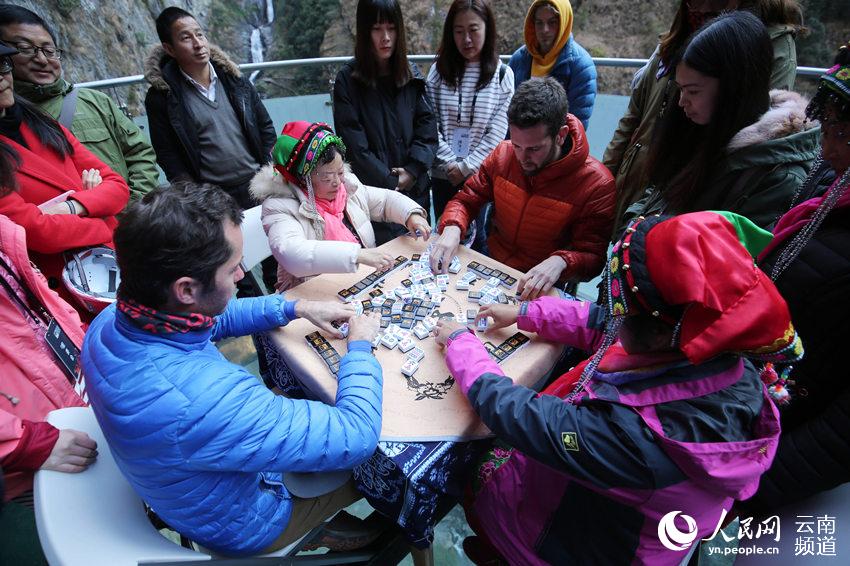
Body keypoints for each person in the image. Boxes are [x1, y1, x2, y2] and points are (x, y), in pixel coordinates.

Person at [433, 211, 802, 564]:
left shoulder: (634, 440)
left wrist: (461, 343)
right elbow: (605, 325)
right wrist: (527, 314)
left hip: (570, 545)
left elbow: (520, 415)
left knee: (475, 468)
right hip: (596, 507)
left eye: (619, 308)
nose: (611, 314)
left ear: (659, 334)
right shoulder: (708, 349)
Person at [81, 182, 385, 556]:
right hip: (249, 522)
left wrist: (295, 307)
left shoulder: (113, 319)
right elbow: (357, 434)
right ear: (187, 289)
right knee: (381, 465)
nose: (243, 273)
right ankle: (318, 528)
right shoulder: (207, 401)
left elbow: (209, 320)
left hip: (182, 487)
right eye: (231, 268)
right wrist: (359, 346)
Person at [741, 44, 850, 514]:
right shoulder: (833, 176)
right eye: (827, 127)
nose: (825, 148)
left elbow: (838, 436)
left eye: (842, 133)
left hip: (782, 443)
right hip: (746, 398)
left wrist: (752, 483)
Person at [603, 0, 805, 230]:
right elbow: (658, 189)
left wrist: (643, 239)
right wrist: (633, 228)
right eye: (679, 89)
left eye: (693, 91)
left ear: (732, 88)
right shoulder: (698, 129)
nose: (681, 102)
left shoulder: (776, 178)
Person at [431, 77, 615, 300]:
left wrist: (561, 261)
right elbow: (466, 199)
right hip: (492, 266)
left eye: (534, 149)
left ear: (561, 135)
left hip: (544, 286)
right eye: (517, 145)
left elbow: (593, 257)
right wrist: (452, 226)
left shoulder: (597, 184)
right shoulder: (503, 154)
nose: (522, 158)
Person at [0, 147, 96, 564]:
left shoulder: (6, 237)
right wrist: (23, 444)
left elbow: (43, 319)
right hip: (27, 470)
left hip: (70, 422)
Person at [0, 46, 130, 317]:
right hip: (67, 288)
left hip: (116, 261)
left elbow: (117, 186)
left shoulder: (38, 121)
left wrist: (71, 207)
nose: (1, 77)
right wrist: (100, 213)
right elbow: (35, 231)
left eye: (2, 66)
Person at [0, 5, 158, 203]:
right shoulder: (10, 121)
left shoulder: (95, 101)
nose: (41, 59)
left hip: (126, 221)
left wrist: (134, 208)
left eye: (49, 50)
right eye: (25, 49)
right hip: (63, 228)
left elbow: (139, 152)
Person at [250, 121, 431, 291]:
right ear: (302, 178)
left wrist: (410, 215)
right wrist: (357, 255)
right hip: (313, 293)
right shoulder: (279, 206)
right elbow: (291, 252)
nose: (337, 182)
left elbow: (384, 200)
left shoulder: (348, 185)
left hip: (360, 279)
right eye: (327, 177)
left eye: (340, 171)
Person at [144, 6, 276, 210]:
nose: (198, 44)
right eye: (186, 38)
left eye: (200, 34)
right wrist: (196, 197)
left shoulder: (234, 79)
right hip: (213, 198)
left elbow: (265, 126)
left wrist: (269, 170)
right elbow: (168, 155)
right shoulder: (162, 97)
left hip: (258, 183)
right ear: (169, 49)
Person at [333, 0, 438, 245]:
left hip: (415, 192)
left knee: (419, 254)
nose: (386, 37)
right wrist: (392, 181)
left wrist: (412, 171)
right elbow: (354, 147)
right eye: (377, 29)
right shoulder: (348, 81)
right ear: (364, 31)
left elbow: (428, 130)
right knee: (383, 264)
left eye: (391, 28)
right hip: (374, 199)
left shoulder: (411, 75)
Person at [426, 0, 514, 220]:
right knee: (444, 229)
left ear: (487, 29)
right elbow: (428, 122)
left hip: (479, 176)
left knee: (475, 239)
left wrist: (466, 167)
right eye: (459, 31)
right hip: (442, 174)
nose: (466, 39)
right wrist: (450, 165)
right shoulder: (438, 71)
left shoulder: (503, 75)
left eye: (473, 30)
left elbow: (497, 132)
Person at [508, 0, 596, 131]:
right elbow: (507, 112)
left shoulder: (580, 66)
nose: (545, 30)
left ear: (564, 24)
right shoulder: (519, 59)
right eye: (539, 23)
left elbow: (576, 127)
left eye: (552, 23)